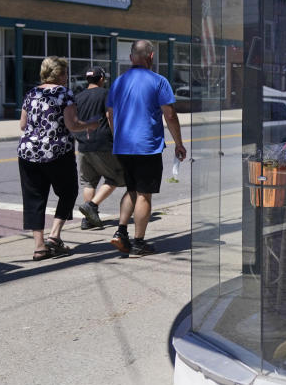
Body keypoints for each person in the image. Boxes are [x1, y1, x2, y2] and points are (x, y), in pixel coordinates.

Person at [106, 39, 186, 257]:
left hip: (123, 146)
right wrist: (178, 143)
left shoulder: (119, 82)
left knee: (130, 190)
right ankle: (138, 243)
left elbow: (109, 114)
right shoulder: (159, 81)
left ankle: (121, 232)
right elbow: (169, 114)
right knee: (144, 194)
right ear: (151, 57)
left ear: (132, 58)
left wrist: (118, 137)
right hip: (147, 146)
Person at [18, 56, 100, 261]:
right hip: (57, 152)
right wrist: (90, 124)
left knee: (34, 198)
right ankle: (54, 236)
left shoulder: (31, 93)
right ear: (59, 74)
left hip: (28, 152)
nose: (66, 76)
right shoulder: (64, 93)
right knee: (68, 191)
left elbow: (22, 125)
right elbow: (72, 125)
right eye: (65, 72)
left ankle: (39, 247)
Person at [73, 66, 131, 230]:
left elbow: (73, 120)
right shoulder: (106, 94)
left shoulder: (78, 97)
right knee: (117, 176)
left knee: (88, 182)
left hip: (83, 144)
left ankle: (88, 219)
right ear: (101, 79)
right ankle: (91, 206)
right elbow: (109, 115)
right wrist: (117, 137)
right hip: (103, 143)